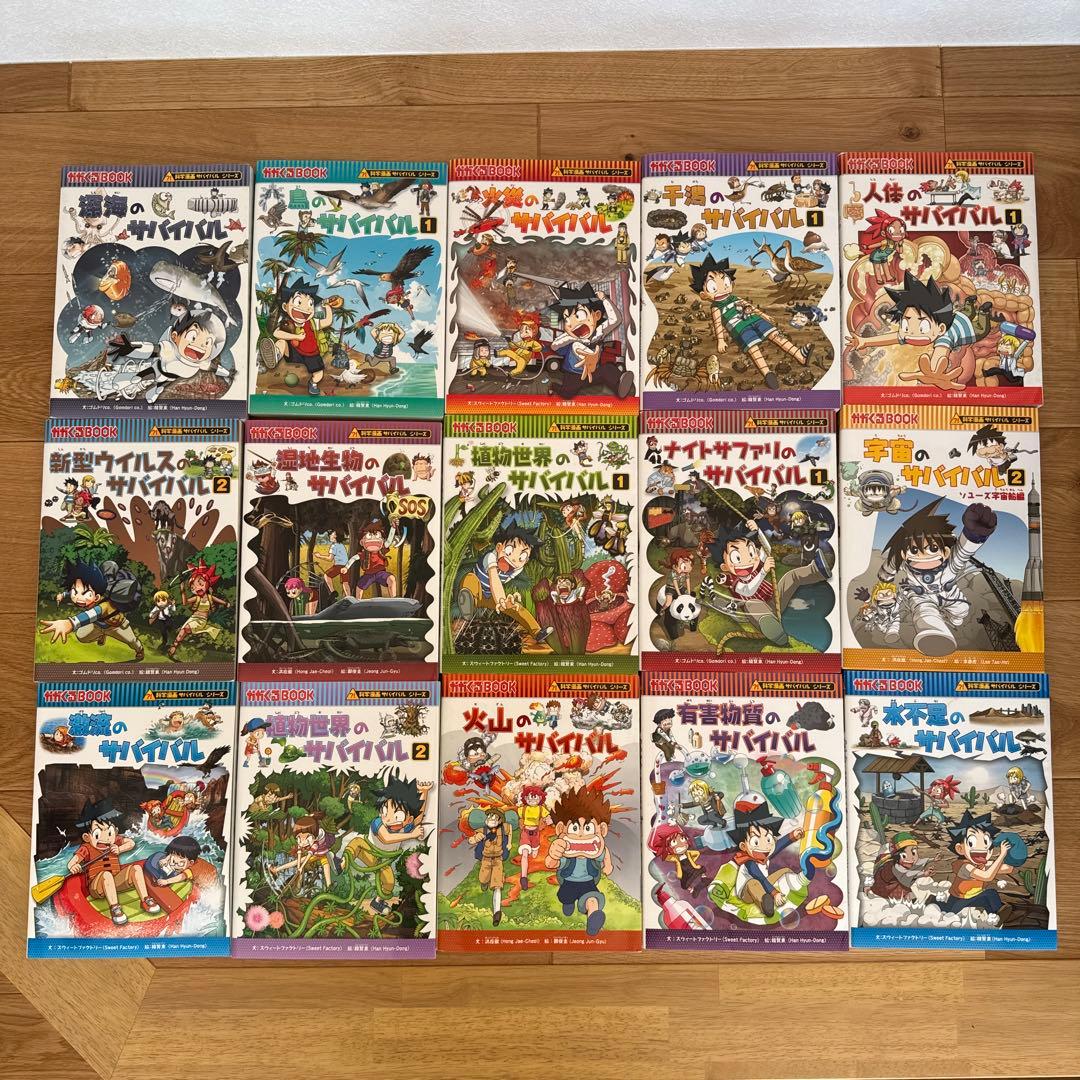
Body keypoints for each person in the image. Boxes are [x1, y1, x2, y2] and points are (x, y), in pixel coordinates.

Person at [68, 800, 160, 926]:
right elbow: (72, 862)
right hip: (97, 887)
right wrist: (74, 866)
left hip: (115, 881)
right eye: (98, 834)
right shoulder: (86, 848)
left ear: (115, 832)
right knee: (106, 875)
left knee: (136, 869)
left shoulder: (115, 841)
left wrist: (120, 849)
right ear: (87, 837)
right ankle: (115, 908)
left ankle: (145, 900)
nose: (105, 838)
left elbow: (131, 843)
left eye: (109, 833)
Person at [545, 787, 614, 936]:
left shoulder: (595, 850)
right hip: (568, 882)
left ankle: (593, 920)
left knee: (592, 900)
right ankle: (568, 903)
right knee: (566, 898)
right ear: (561, 829)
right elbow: (551, 864)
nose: (581, 835)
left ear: (601, 830)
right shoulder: (565, 850)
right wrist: (553, 855)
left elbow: (604, 852)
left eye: (588, 828)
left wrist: (608, 864)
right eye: (575, 828)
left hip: (588, 882)